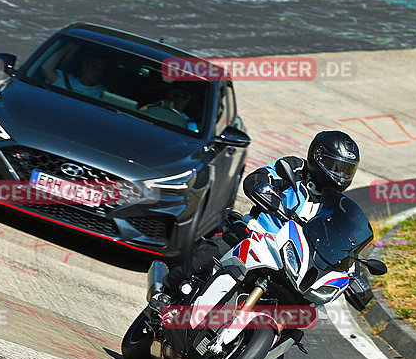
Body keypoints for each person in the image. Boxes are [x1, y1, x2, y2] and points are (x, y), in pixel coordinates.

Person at [147, 131, 360, 315]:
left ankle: (268, 348)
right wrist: (264, 189)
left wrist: (354, 271)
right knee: (212, 251)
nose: (341, 175)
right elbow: (260, 177)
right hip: (256, 234)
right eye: (336, 166)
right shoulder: (293, 168)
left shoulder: (335, 205)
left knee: (302, 309)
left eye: (347, 170)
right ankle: (165, 292)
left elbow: (344, 238)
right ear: (318, 156)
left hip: (294, 261)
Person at [41, 42, 107, 98]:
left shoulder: (103, 94)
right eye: (94, 66)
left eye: (101, 69)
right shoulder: (64, 80)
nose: (97, 71)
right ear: (85, 65)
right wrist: (71, 45)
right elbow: (46, 68)